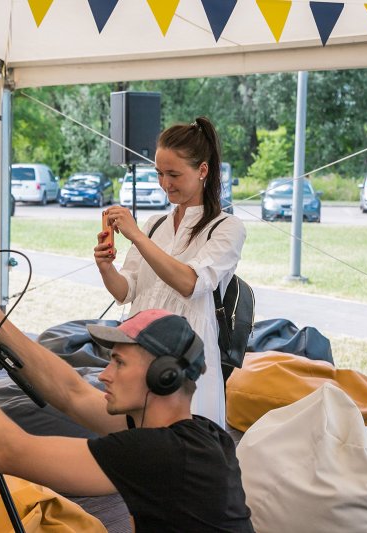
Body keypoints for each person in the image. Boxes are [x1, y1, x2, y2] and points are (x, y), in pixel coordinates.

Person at [0, 302, 254, 532]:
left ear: (161, 376)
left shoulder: (160, 453)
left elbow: (10, 452)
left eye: (119, 362)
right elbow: (72, 394)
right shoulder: (196, 433)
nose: (104, 374)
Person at [95, 116, 246, 425]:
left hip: (187, 359)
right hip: (140, 350)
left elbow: (191, 283)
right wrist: (106, 267)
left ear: (203, 170)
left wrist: (136, 235)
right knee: (137, 441)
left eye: (174, 174)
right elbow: (125, 292)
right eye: (159, 173)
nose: (165, 184)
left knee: (184, 443)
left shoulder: (227, 228)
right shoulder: (156, 225)